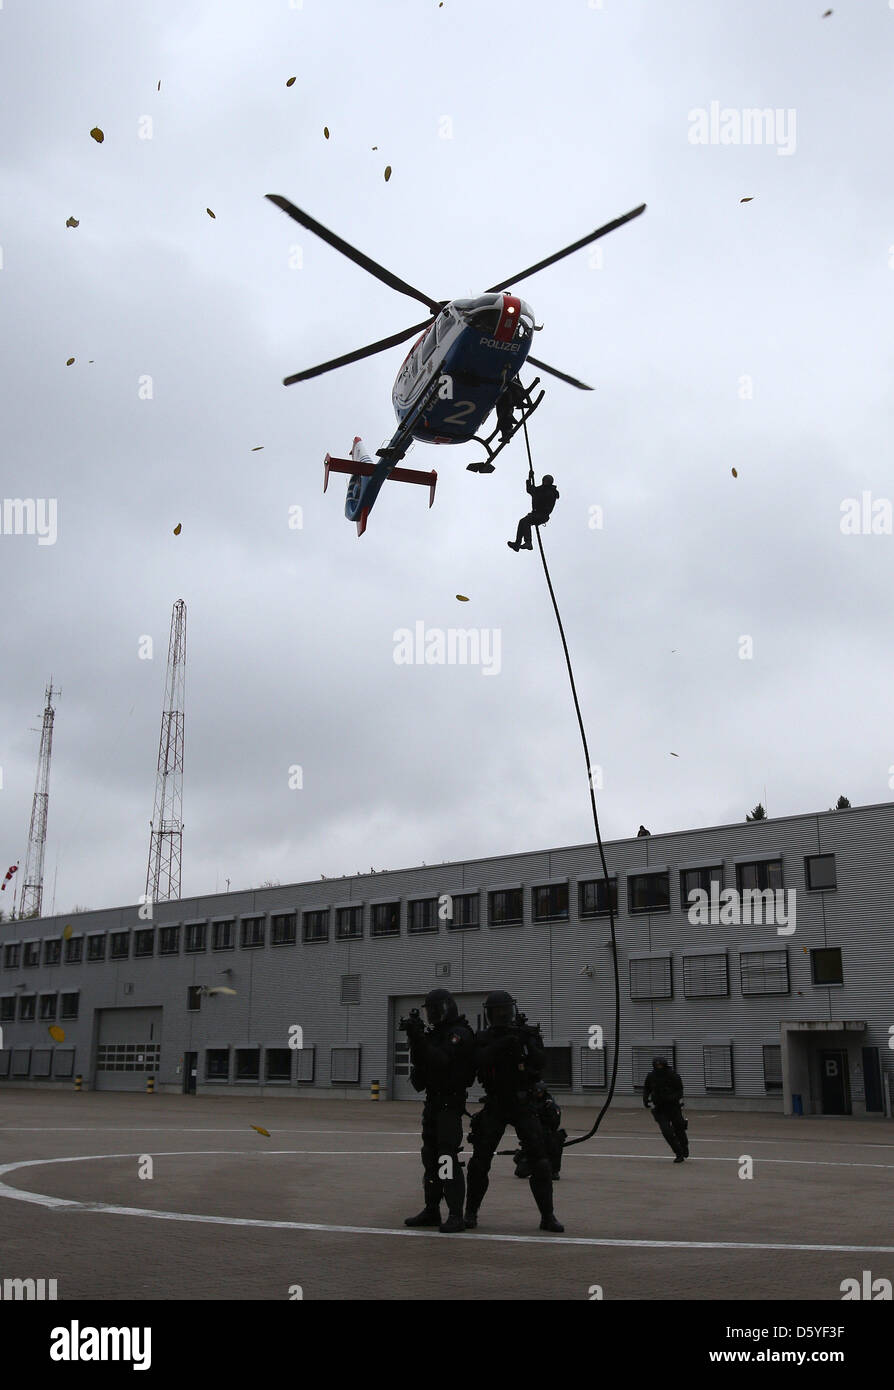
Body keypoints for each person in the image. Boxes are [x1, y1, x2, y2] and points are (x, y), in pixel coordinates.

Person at [465, 991, 564, 1232]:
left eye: (503, 1011)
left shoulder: (526, 1033)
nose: (499, 1016)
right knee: (479, 1162)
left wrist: (525, 1042)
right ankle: (470, 1213)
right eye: (495, 1012)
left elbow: (540, 1063)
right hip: (496, 1103)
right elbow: (477, 1060)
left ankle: (548, 1216)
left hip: (523, 1103)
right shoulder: (484, 1037)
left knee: (540, 1162)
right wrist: (503, 1043)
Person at [402, 988, 477, 1233]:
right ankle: (432, 1209)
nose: (431, 1015)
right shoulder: (434, 1035)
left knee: (446, 1158)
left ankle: (455, 1214)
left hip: (449, 1104)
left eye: (434, 1010)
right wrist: (416, 1040)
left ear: (446, 1008)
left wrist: (420, 1040)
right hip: (433, 1103)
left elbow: (441, 1060)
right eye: (428, 1011)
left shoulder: (459, 1034)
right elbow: (419, 1079)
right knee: (430, 1158)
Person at [513, 1080, 566, 1181]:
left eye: (539, 1092)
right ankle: (521, 1157)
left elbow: (554, 1124)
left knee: (555, 1142)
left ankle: (553, 1170)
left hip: (547, 1135)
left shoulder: (549, 1105)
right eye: (535, 1091)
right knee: (521, 1172)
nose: (537, 1094)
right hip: (533, 1136)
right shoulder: (529, 1101)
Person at [643, 1055, 689, 1162]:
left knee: (679, 1129)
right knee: (666, 1132)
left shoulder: (673, 1075)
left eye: (661, 1065)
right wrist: (645, 1099)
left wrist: (671, 1098)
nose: (659, 1067)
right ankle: (678, 1153)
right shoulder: (651, 1076)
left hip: (673, 1107)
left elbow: (680, 1091)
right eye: (657, 1065)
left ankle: (684, 1146)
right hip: (660, 1109)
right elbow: (647, 1088)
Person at [507, 474, 559, 552]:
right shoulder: (540, 489)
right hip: (536, 514)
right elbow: (530, 489)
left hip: (542, 515)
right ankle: (517, 544)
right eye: (544, 480)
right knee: (522, 521)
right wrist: (529, 477)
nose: (545, 482)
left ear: (550, 482)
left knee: (526, 521)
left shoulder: (551, 491)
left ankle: (528, 542)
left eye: (547, 481)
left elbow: (545, 500)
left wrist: (537, 497)